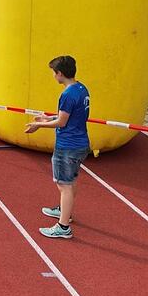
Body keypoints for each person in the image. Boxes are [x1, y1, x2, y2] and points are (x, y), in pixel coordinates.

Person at [24, 55, 91, 239]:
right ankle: (64, 211)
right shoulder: (82, 88)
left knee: (64, 185)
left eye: (54, 73)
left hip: (67, 146)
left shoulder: (67, 94)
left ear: (60, 73)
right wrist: (48, 119)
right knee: (72, 179)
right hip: (81, 143)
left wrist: (39, 125)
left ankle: (63, 227)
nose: (53, 76)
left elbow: (62, 122)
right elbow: (70, 117)